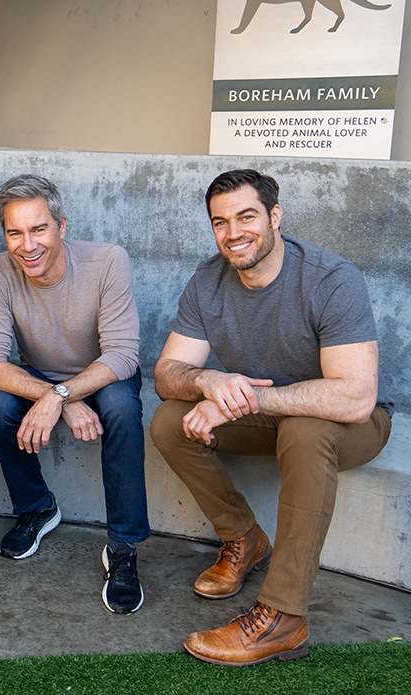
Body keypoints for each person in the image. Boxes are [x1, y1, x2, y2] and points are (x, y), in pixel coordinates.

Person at [150, 169, 393, 666]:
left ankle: (284, 616)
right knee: (169, 420)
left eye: (246, 217)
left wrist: (248, 400)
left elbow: (354, 398)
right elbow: (167, 373)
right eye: (221, 222)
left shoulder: (331, 279)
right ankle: (243, 537)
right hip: (271, 420)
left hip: (351, 427)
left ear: (275, 217)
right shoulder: (207, 280)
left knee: (305, 429)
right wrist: (208, 383)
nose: (233, 232)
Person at [0, 174, 150, 615]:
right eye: (14, 232)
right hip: (43, 376)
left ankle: (123, 547)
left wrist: (62, 396)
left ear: (62, 226)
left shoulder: (108, 261)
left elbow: (124, 355)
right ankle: (36, 508)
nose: (26, 245)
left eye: (38, 229)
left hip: (104, 374)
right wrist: (59, 397)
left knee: (122, 410)